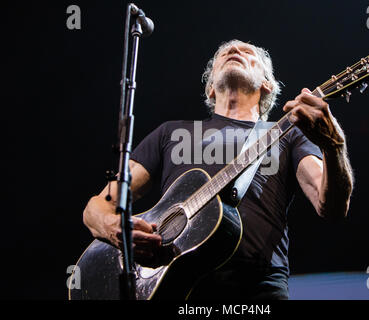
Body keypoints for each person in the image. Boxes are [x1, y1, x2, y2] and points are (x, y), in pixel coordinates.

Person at [82, 39, 354, 300]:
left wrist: (335, 145)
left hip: (256, 291)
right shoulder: (171, 133)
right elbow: (96, 207)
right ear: (210, 87)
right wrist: (112, 228)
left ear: (267, 85)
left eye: (248, 52)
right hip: (170, 286)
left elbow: (330, 206)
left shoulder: (288, 134)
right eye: (225, 52)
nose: (235, 49)